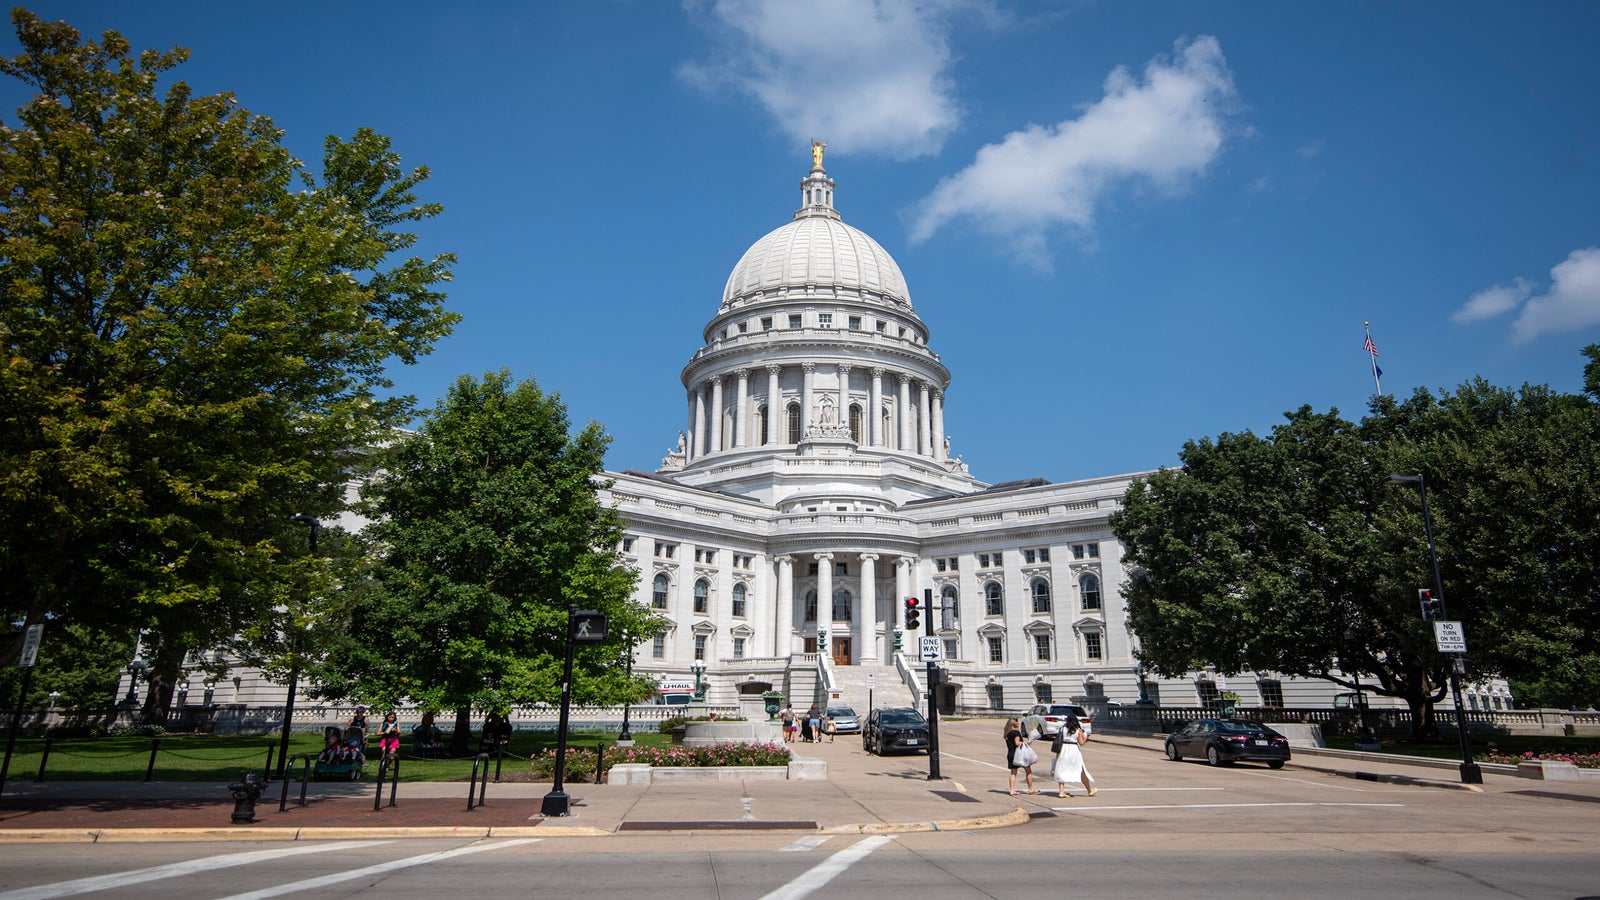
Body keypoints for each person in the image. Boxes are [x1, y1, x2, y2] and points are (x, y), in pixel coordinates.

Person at [1051, 713, 1097, 798]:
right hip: (1074, 750)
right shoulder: (1078, 730)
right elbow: (1081, 743)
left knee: (1061, 769)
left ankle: (1061, 792)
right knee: (1081, 770)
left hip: (1063, 749)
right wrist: (1085, 737)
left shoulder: (1063, 729)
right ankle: (1089, 790)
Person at [1005, 717, 1038, 795]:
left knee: (1013, 772)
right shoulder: (1016, 733)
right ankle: (1030, 788)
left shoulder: (1007, 732)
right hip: (1019, 754)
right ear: (1014, 723)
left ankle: (1012, 789)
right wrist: (1027, 742)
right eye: (1018, 722)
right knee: (1028, 771)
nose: (1019, 723)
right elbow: (1017, 743)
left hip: (1010, 753)